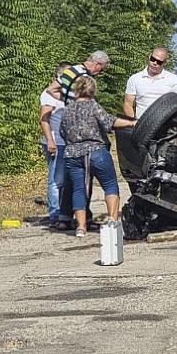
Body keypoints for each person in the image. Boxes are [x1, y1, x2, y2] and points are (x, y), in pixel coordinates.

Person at [60, 76, 135, 237]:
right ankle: (113, 221)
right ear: (93, 90)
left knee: (79, 190)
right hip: (95, 150)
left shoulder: (67, 109)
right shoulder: (93, 106)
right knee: (110, 185)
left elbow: (62, 132)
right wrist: (131, 123)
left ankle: (81, 227)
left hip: (73, 153)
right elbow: (109, 121)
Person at [39, 65, 70, 229]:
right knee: (55, 180)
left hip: (67, 142)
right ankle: (55, 214)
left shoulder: (68, 95)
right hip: (55, 142)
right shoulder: (48, 95)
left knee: (65, 179)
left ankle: (65, 213)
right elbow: (44, 119)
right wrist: (50, 140)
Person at [123, 47, 177, 119]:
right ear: (149, 57)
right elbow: (128, 104)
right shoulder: (135, 79)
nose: (155, 63)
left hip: (164, 124)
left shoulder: (173, 79)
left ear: (165, 63)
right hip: (141, 124)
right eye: (153, 59)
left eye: (159, 62)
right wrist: (133, 123)